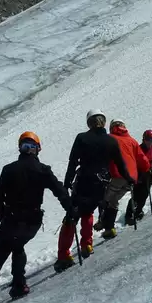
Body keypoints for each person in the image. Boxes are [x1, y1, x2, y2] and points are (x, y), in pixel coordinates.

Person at [0, 132, 75, 303]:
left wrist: (3, 214)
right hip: (32, 223)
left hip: (11, 221)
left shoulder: (9, 170)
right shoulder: (43, 170)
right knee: (18, 246)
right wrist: (71, 211)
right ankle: (19, 285)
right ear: (37, 149)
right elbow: (60, 192)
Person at [55, 109, 134, 272]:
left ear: (89, 122)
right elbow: (120, 164)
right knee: (88, 212)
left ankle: (64, 255)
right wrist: (129, 178)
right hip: (101, 183)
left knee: (72, 216)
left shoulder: (82, 138)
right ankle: (87, 245)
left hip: (83, 181)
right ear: (104, 122)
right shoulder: (111, 141)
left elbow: (72, 162)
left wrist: (67, 183)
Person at [97, 118, 150, 239]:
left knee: (105, 199)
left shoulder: (109, 138)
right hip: (130, 179)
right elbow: (144, 162)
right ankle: (109, 228)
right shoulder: (132, 141)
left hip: (117, 175)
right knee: (114, 200)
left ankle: (105, 224)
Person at [125, 129, 152, 226]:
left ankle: (138, 211)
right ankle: (129, 215)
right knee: (135, 196)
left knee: (144, 195)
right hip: (139, 176)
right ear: (144, 139)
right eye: (148, 139)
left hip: (147, 175)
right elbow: (133, 163)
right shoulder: (138, 149)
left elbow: (151, 161)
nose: (150, 142)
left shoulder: (151, 148)